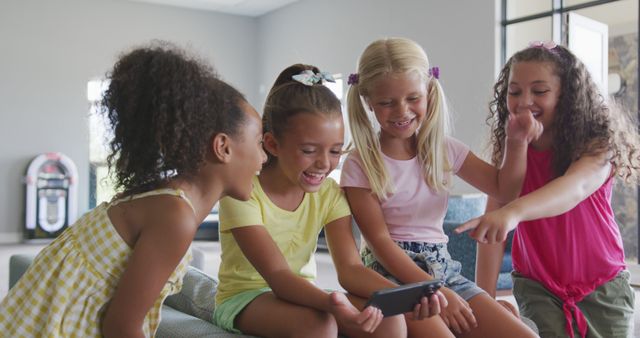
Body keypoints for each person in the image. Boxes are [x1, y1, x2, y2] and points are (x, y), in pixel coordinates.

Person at [0, 42, 266, 338]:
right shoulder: (175, 216)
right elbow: (121, 327)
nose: (265, 158)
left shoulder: (163, 199)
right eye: (259, 144)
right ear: (223, 147)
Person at [213, 63, 447, 338]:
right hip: (245, 299)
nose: (324, 164)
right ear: (272, 144)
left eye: (335, 151)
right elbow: (277, 276)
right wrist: (331, 303)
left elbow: (350, 269)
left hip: (304, 293)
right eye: (309, 150)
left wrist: (401, 298)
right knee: (320, 325)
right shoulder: (242, 193)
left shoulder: (330, 195)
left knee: (389, 319)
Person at [341, 37, 541, 338]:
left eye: (413, 98)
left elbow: (504, 191)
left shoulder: (445, 149)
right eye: (386, 102)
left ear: (429, 93)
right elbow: (381, 244)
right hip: (392, 277)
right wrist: (435, 292)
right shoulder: (359, 163)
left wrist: (517, 143)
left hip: (443, 269)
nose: (401, 111)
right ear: (368, 101)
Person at [457, 41, 639, 338]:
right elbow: (491, 231)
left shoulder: (597, 143)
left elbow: (574, 188)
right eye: (514, 92)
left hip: (602, 283)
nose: (523, 101)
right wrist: (485, 301)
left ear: (566, 96)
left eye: (539, 91)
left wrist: (512, 212)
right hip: (538, 285)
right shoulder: (511, 150)